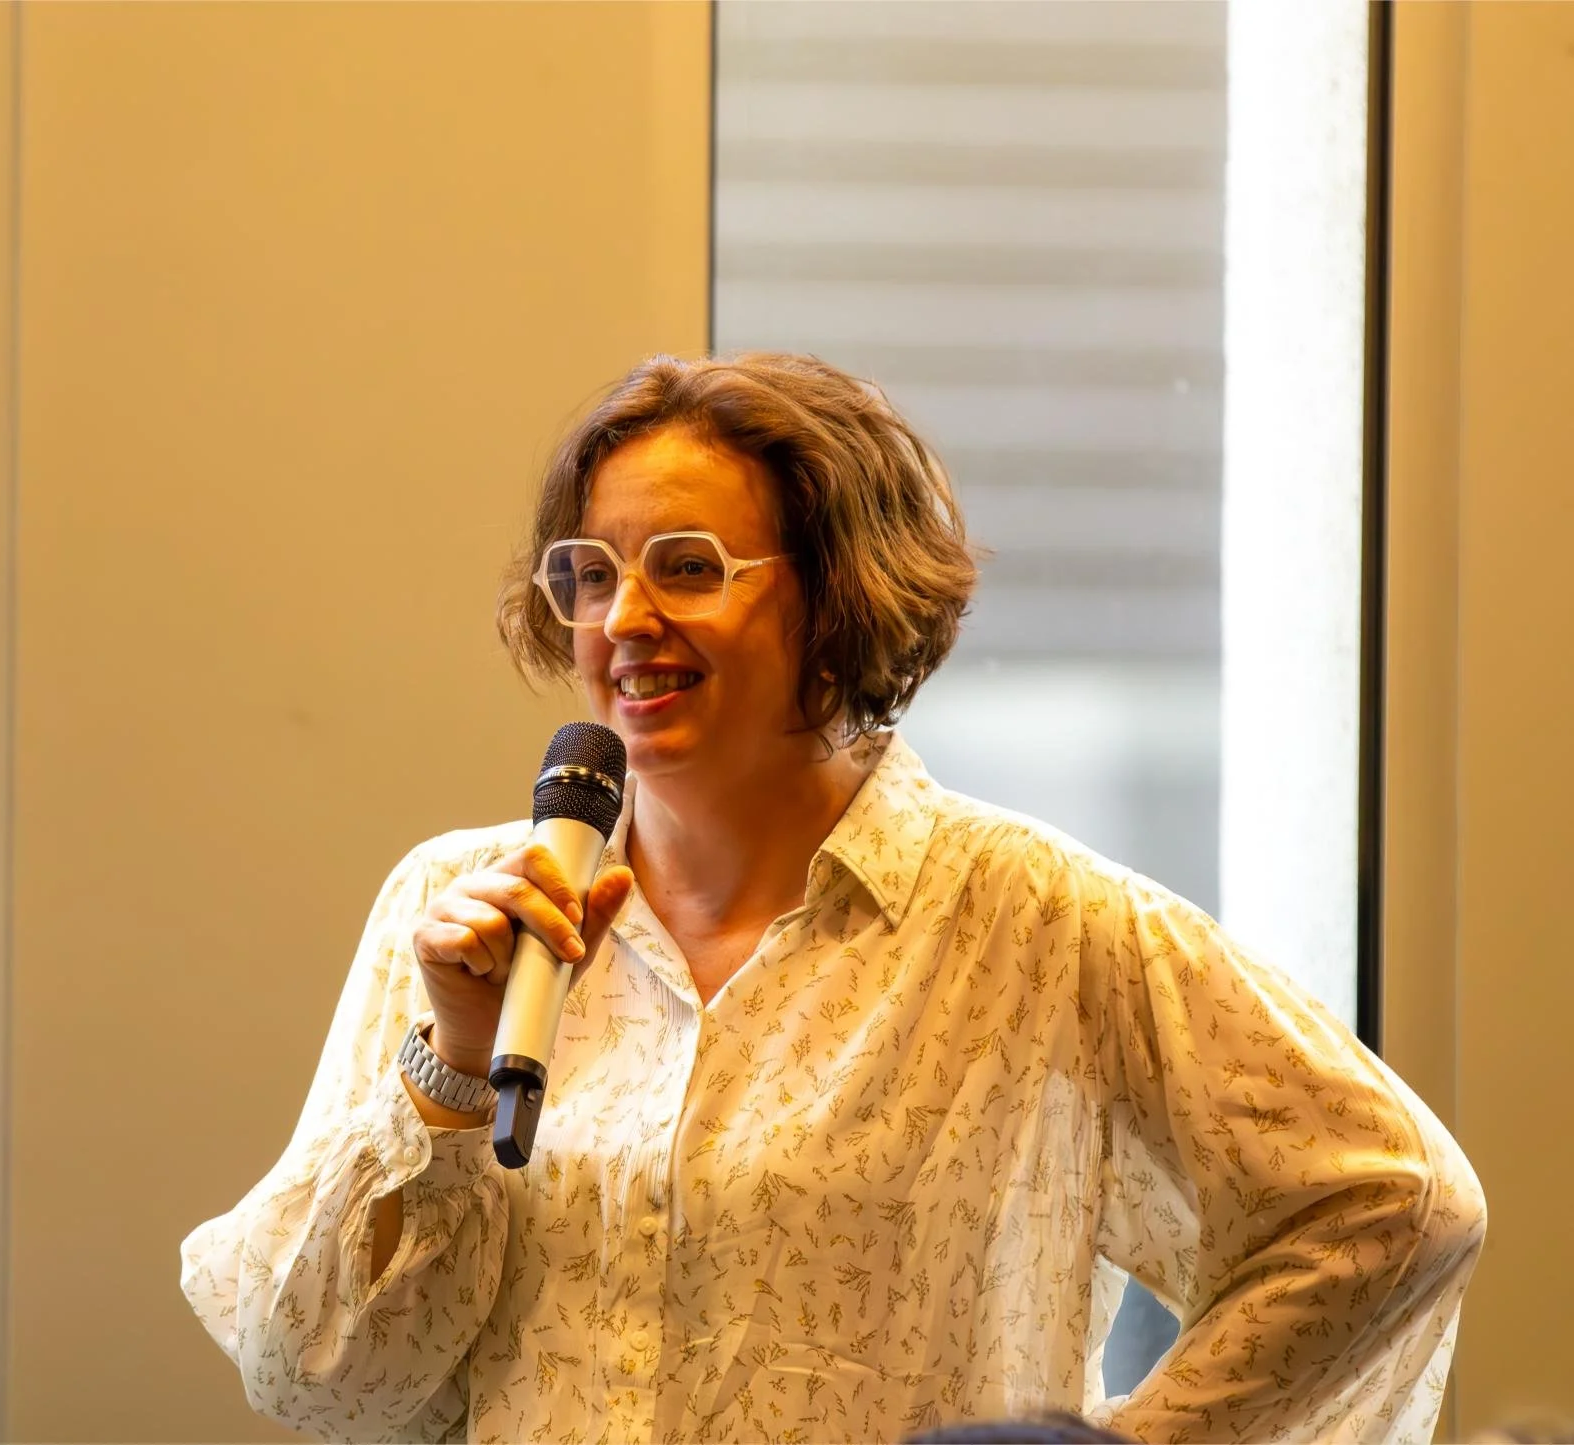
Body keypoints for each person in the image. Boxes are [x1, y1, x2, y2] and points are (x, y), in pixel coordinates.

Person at [181, 353, 1485, 1443]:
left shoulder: (1036, 921)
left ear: (838, 594)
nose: (623, 619)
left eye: (688, 567)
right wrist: (453, 1068)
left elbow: (1394, 1203)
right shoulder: (458, 908)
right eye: (590, 573)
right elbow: (322, 1383)